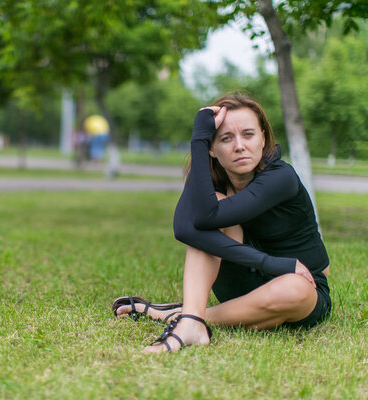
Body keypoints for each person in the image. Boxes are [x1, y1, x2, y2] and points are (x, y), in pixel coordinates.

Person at [113, 93, 331, 353]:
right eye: (226, 138)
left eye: (248, 134)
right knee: (210, 208)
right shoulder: (209, 182)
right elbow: (186, 228)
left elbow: (205, 218)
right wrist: (198, 138)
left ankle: (187, 315)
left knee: (295, 289)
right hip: (241, 284)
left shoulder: (281, 177)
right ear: (212, 149)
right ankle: (193, 322)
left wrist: (280, 267)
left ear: (263, 138)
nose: (239, 145)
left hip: (300, 289)